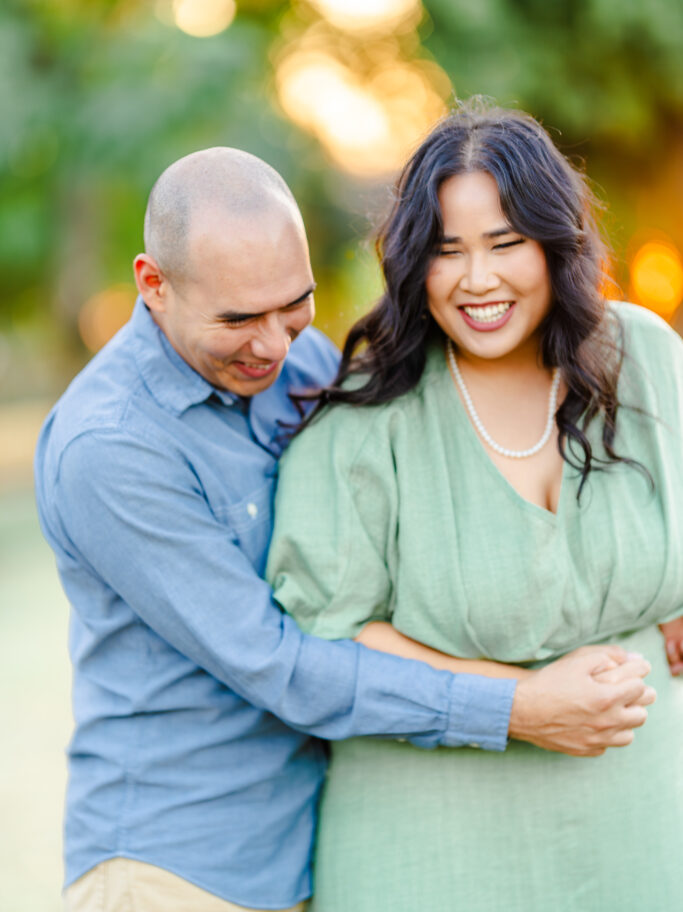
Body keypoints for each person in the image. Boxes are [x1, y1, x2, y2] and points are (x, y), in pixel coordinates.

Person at [35, 147, 654, 912]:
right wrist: (518, 707)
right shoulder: (111, 448)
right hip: (172, 869)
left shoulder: (300, 368)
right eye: (237, 319)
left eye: (292, 305)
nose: (272, 344)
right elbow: (279, 664)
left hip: (304, 854)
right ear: (152, 285)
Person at [265, 103, 683, 912]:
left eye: (505, 243)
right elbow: (331, 635)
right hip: (433, 843)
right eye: (445, 251)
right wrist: (521, 707)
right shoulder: (364, 417)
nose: (477, 279)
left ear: (554, 244)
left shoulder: (646, 357)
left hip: (644, 820)